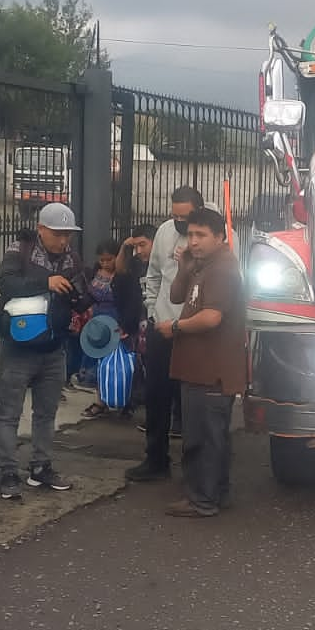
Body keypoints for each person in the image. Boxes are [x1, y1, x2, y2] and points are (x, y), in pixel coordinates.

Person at [0, 202, 90, 499]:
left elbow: (79, 295)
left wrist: (83, 297)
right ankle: (8, 472)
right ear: (41, 229)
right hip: (19, 348)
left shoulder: (72, 258)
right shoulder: (19, 250)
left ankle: (41, 467)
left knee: (46, 414)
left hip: (53, 347)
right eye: (58, 234)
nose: (63, 241)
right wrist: (45, 282)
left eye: (68, 235)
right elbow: (6, 284)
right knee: (9, 413)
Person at [156, 208, 247, 518]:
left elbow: (212, 317)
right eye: (190, 235)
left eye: (201, 235)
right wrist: (184, 266)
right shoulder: (202, 265)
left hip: (211, 371)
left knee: (203, 439)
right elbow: (178, 295)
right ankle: (215, 493)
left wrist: (175, 328)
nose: (193, 241)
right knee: (209, 436)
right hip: (197, 368)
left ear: (220, 237)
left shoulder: (222, 269)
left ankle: (202, 499)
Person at [126, 187, 204, 482]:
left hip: (193, 330)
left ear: (197, 210)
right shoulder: (164, 232)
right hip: (162, 326)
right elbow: (154, 274)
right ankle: (156, 459)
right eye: (175, 216)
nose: (180, 223)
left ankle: (194, 468)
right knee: (156, 396)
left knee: (191, 402)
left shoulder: (206, 237)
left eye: (185, 217)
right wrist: (151, 309)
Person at [112, 224, 157, 418]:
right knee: (138, 363)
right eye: (136, 246)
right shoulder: (135, 263)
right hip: (137, 320)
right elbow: (120, 271)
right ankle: (132, 401)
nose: (139, 250)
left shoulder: (163, 262)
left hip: (156, 319)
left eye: (143, 245)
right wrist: (124, 247)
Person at [76, 240, 123, 418]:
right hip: (98, 323)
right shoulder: (95, 273)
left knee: (116, 363)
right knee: (98, 361)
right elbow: (89, 297)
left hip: (116, 321)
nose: (105, 263)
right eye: (102, 260)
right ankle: (100, 400)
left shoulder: (123, 275)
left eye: (109, 259)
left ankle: (123, 400)